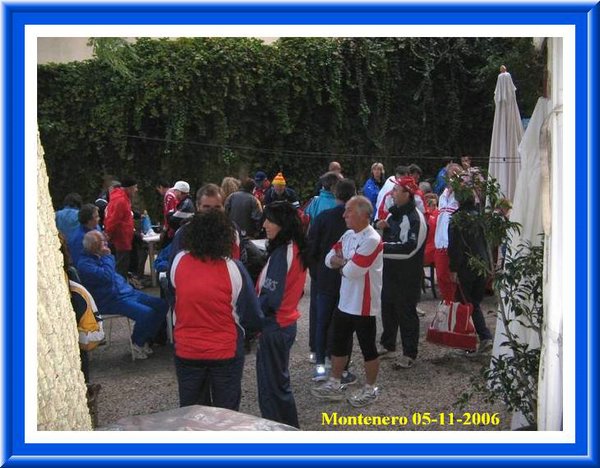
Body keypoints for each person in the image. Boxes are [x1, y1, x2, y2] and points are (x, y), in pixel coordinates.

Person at [170, 210, 263, 410]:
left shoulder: (178, 262)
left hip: (187, 349)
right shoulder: (234, 268)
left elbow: (174, 296)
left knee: (193, 412)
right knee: (226, 414)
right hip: (225, 351)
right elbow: (251, 315)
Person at [311, 196, 383, 408]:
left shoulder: (372, 239)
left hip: (364, 303)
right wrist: (346, 262)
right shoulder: (348, 234)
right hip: (345, 300)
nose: (344, 215)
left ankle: (370, 388)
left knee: (368, 347)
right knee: (338, 342)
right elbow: (328, 258)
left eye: (348, 210)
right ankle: (335, 382)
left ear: (362, 214)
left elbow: (352, 271)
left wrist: (342, 263)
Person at [255, 201, 309, 428]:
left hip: (274, 326)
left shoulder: (282, 252)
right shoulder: (295, 247)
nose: (264, 225)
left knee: (272, 389)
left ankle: (280, 433)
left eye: (270, 220)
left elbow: (270, 298)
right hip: (284, 323)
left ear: (283, 224)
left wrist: (251, 317)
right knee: (278, 385)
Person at [77, 230, 168, 360]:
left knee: (161, 305)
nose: (106, 243)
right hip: (109, 300)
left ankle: (147, 338)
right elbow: (107, 276)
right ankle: (137, 343)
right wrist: (107, 257)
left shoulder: (99, 256)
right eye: (103, 241)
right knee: (146, 313)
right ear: (94, 246)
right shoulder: (85, 264)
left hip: (124, 293)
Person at [307, 179, 357, 383]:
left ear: (335, 194)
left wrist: (316, 273)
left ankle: (321, 365)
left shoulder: (323, 218)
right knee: (345, 325)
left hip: (325, 278)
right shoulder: (357, 221)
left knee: (322, 322)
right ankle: (342, 368)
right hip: (347, 279)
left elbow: (311, 248)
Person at [376, 177, 427, 369]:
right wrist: (381, 227)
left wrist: (380, 248)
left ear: (407, 194)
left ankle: (409, 353)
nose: (392, 193)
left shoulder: (416, 218)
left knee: (406, 312)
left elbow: (410, 249)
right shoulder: (393, 214)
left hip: (408, 274)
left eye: (396, 190)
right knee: (388, 307)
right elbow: (390, 237)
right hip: (390, 271)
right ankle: (388, 344)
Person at [448, 171, 493, 355]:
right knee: (474, 303)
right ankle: (479, 338)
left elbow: (455, 247)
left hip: (466, 267)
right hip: (482, 265)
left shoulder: (457, 219)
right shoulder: (479, 217)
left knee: (467, 304)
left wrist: (453, 269)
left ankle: (477, 339)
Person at [433, 163, 462, 302]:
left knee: (453, 277)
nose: (453, 178)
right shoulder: (443, 195)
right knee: (441, 276)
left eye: (456, 175)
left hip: (453, 242)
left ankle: (455, 306)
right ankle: (448, 304)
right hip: (440, 242)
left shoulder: (462, 195)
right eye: (451, 175)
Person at [104, 177, 138, 278]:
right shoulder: (121, 201)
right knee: (121, 267)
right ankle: (120, 284)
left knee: (122, 265)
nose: (136, 190)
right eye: (135, 187)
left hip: (123, 238)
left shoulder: (121, 198)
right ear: (129, 188)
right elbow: (113, 220)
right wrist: (109, 234)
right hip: (121, 239)